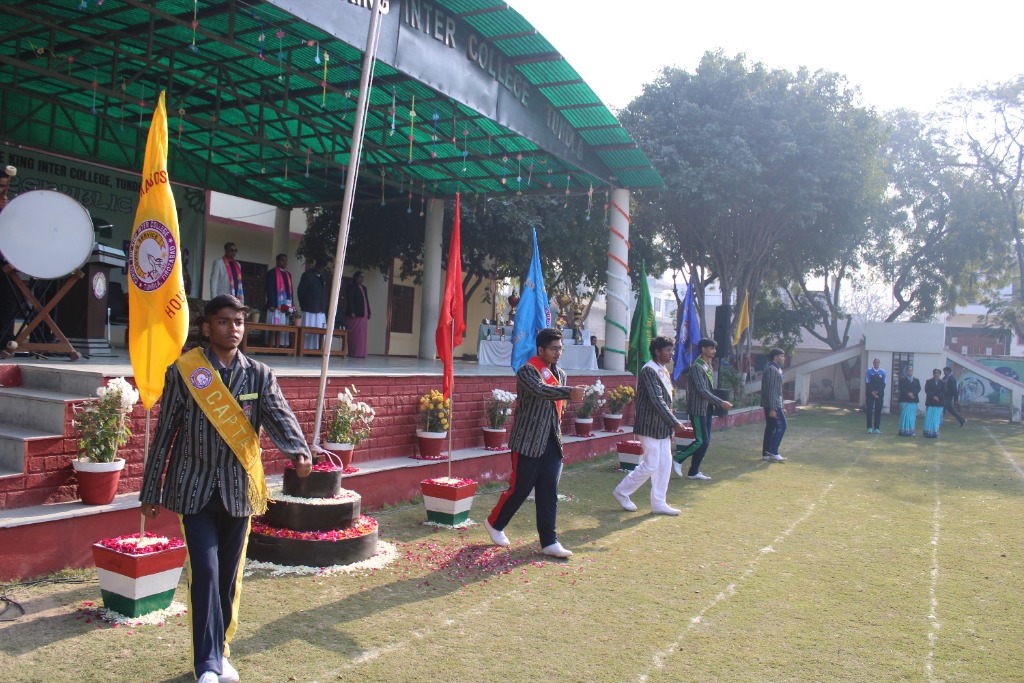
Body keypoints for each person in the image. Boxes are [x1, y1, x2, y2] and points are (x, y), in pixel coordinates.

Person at [139, 294, 313, 683]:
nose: (233, 328)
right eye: (224, 321)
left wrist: (298, 450)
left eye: (239, 322)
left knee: (229, 577)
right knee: (205, 571)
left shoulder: (259, 375)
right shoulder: (185, 371)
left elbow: (279, 415)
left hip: (239, 490)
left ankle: (221, 653)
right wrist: (151, 490)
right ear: (206, 328)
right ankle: (206, 664)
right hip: (193, 489)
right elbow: (165, 432)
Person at [484, 328, 585, 558]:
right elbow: (541, 390)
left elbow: (557, 403)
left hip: (552, 440)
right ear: (541, 349)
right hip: (528, 441)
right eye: (554, 349)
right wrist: (569, 392)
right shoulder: (527, 371)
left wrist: (568, 393)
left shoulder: (561, 374)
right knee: (520, 489)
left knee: (549, 491)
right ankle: (495, 523)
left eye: (561, 349)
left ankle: (549, 541)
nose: (558, 353)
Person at [613, 336, 686, 515]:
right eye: (668, 350)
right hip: (649, 425)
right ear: (657, 351)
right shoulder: (649, 370)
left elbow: (667, 400)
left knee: (665, 464)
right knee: (651, 464)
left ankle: (659, 503)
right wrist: (674, 423)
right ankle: (622, 492)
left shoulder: (662, 370)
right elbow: (656, 400)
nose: (671, 353)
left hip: (663, 426)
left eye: (672, 349)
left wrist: (670, 424)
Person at [673, 338, 733, 481]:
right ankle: (678, 458)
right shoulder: (696, 367)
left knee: (705, 442)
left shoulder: (707, 366)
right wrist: (720, 402)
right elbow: (701, 390)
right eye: (711, 348)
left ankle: (694, 472)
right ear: (703, 349)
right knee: (700, 441)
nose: (714, 351)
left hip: (707, 408)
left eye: (714, 348)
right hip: (697, 409)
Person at [760, 348, 787, 462]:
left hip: (776, 403)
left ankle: (766, 453)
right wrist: (773, 408)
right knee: (782, 426)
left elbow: (778, 390)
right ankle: (773, 452)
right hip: (773, 404)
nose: (784, 358)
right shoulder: (771, 369)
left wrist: (782, 406)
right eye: (782, 356)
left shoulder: (777, 369)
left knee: (771, 427)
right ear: (775, 357)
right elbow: (771, 390)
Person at [264, 253, 293, 347]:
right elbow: (269, 289)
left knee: (283, 327)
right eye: (282, 260)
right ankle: (271, 346)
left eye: (286, 261)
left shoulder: (288, 274)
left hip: (285, 306)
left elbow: (290, 291)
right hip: (275, 305)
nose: (284, 262)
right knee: (273, 326)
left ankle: (281, 346)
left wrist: (291, 305)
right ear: (277, 261)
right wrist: (271, 304)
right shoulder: (271, 273)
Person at [297, 259, 327, 351]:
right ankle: (306, 349)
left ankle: (318, 349)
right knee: (309, 329)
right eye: (320, 266)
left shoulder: (321, 277)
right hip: (309, 308)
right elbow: (301, 291)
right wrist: (303, 304)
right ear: (316, 265)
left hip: (320, 309)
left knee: (320, 330)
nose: (321, 269)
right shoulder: (307, 275)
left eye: (323, 267)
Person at [345, 271, 370, 358]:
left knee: (362, 334)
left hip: (363, 313)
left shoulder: (364, 288)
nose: (361, 279)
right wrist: (352, 311)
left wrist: (369, 312)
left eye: (363, 277)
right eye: (360, 277)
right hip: (355, 314)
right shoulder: (351, 287)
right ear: (355, 278)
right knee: (354, 334)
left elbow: (366, 300)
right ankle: (354, 352)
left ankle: (361, 353)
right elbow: (350, 299)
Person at [898, 365, 921, 436]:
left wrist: (913, 394)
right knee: (904, 416)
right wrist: (908, 393)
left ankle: (911, 431)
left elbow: (918, 388)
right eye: (908, 371)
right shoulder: (902, 380)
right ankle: (903, 431)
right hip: (904, 400)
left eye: (911, 371)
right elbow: (901, 388)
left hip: (913, 400)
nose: (910, 372)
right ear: (906, 372)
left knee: (912, 417)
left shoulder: (916, 380)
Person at [865, 357, 886, 434]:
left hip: (879, 395)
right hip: (870, 394)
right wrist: (872, 392)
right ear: (873, 363)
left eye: (878, 362)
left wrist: (877, 392)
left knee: (878, 411)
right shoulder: (869, 371)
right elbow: (867, 382)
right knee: (869, 410)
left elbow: (884, 383)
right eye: (875, 362)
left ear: (879, 363)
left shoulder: (883, 372)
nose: (876, 363)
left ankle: (876, 428)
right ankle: (869, 428)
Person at [923, 368, 945, 438]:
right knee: (929, 417)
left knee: (936, 418)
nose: (936, 374)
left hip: (939, 403)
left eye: (938, 373)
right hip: (931, 402)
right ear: (933, 374)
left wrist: (938, 397)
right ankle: (928, 432)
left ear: (940, 374)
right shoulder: (929, 382)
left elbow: (944, 391)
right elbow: (927, 390)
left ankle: (935, 432)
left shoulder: (943, 382)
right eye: (935, 373)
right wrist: (933, 397)